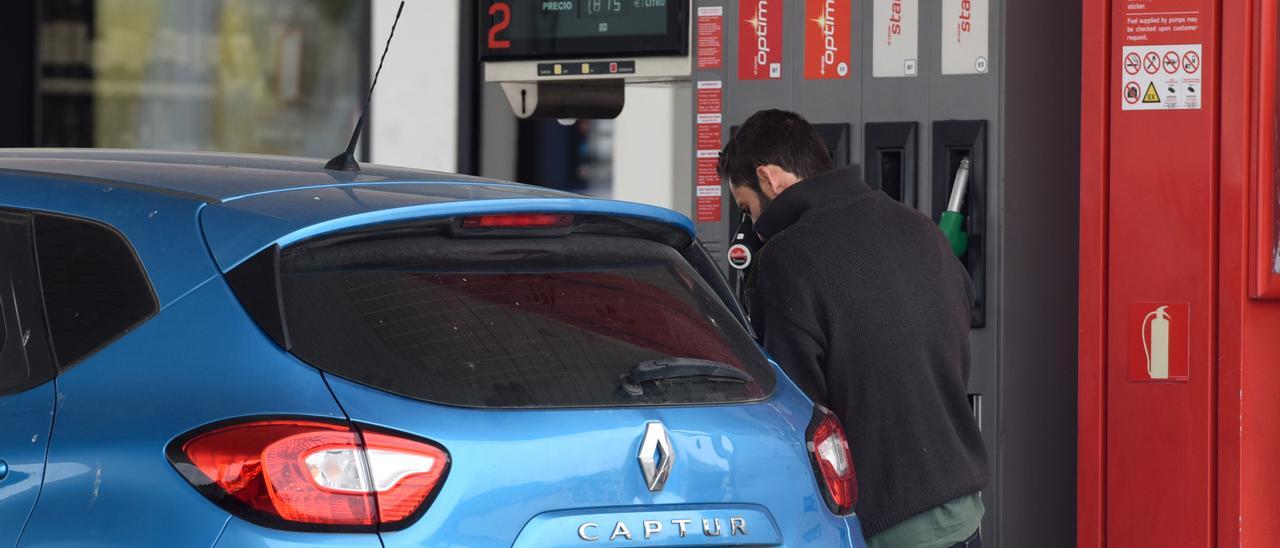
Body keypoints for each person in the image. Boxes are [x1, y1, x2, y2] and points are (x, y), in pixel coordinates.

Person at [718, 109, 989, 548]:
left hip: (880, 523)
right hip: (962, 512)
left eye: (747, 209)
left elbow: (795, 413)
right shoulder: (920, 230)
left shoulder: (787, 261)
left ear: (771, 178)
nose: (751, 229)